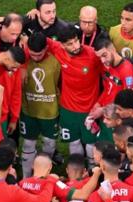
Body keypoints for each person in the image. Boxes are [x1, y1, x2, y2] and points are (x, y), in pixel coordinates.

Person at [43, 27, 103, 161]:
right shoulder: (57, 49)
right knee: (73, 142)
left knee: (90, 143)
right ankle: (77, 173)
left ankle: (92, 169)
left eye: (76, 41)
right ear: (62, 45)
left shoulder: (92, 55)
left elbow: (109, 71)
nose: (75, 46)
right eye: (70, 44)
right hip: (68, 109)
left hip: (89, 109)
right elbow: (39, 37)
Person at [20, 32, 61, 178]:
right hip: (29, 111)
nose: (35, 57)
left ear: (46, 49)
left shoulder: (56, 60)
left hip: (50, 112)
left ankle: (42, 176)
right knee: (28, 144)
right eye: (32, 54)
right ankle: (25, 177)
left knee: (49, 144)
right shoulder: (23, 59)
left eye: (39, 54)